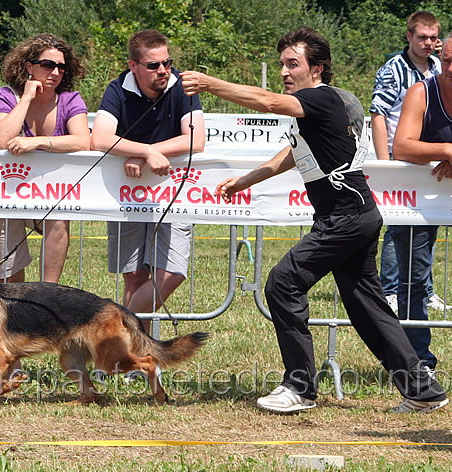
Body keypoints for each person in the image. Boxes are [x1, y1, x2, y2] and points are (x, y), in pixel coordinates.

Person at [181, 27, 448, 414]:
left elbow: (269, 103)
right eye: (282, 65)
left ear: (317, 69)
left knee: (283, 284)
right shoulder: (314, 109)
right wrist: (244, 181)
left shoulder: (319, 98)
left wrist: (209, 83)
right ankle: (423, 390)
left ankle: (300, 387)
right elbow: (292, 154)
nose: (285, 72)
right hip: (353, 215)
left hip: (347, 217)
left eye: (294, 65)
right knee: (367, 306)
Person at [90, 29, 205, 334]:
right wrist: (144, 151)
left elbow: (196, 139)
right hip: (126, 192)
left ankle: (111, 330)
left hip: (174, 192)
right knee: (135, 277)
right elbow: (99, 138)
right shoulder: (117, 89)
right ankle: (130, 358)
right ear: (134, 66)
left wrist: (145, 154)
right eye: (154, 66)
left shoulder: (182, 85)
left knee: (173, 272)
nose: (164, 71)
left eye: (167, 63)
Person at [0, 33, 90, 284]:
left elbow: (84, 140)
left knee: (59, 218)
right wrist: (26, 97)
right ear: (29, 66)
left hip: (46, 192)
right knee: (10, 285)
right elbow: (1, 139)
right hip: (2, 193)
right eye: (48, 65)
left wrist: (38, 142)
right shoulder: (6, 96)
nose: (55, 72)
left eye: (61, 67)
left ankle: (47, 297)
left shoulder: (70, 99)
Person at [370, 11, 450, 321]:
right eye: (422, 37)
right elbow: (378, 114)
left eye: (433, 38)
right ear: (408, 37)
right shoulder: (393, 69)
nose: (428, 43)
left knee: (426, 227)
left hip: (432, 163)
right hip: (398, 159)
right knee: (398, 227)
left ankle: (424, 291)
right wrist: (384, 163)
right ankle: (390, 290)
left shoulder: (440, 68)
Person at [392, 33, 452, 370]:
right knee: (413, 280)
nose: (451, 68)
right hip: (419, 200)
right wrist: (445, 150)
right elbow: (402, 146)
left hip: (432, 187)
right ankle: (418, 360)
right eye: (447, 60)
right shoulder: (422, 91)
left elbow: (417, 146)